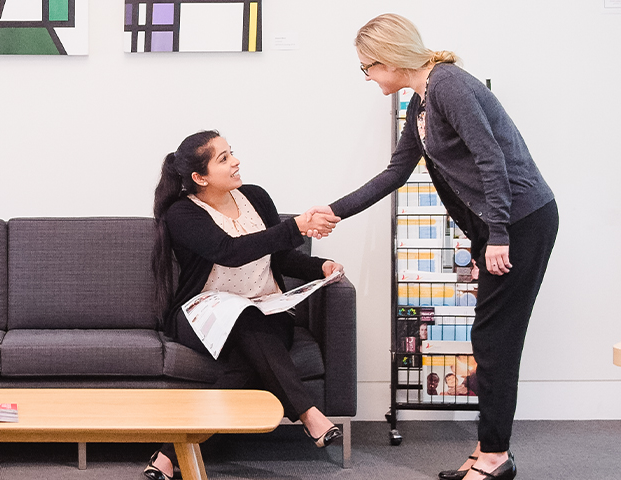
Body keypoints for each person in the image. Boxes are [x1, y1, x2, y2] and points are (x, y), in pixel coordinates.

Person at [305, 13, 557, 480]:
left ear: (389, 59)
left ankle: (496, 457)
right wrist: (335, 210)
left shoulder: (449, 87)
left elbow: (491, 159)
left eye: (367, 67)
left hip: (520, 221)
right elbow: (395, 172)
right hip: (495, 225)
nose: (367, 77)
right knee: (491, 338)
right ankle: (488, 450)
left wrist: (498, 234)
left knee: (494, 341)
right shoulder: (421, 102)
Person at [144, 130, 344, 480]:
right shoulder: (182, 213)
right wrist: (295, 225)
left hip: (267, 310)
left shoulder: (255, 197)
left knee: (243, 364)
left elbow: (279, 256)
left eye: (231, 153)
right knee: (244, 315)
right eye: (223, 158)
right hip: (202, 313)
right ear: (199, 177)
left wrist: (320, 266)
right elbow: (229, 252)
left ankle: (168, 452)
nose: (236, 161)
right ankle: (308, 413)